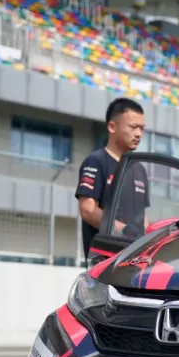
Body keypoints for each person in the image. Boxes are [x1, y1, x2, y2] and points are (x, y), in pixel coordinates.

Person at [75, 97, 151, 261]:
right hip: (103, 262)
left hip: (133, 262)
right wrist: (123, 231)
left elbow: (142, 217)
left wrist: (148, 239)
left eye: (142, 129)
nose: (138, 134)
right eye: (133, 127)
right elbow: (87, 209)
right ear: (112, 127)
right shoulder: (96, 161)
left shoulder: (139, 169)